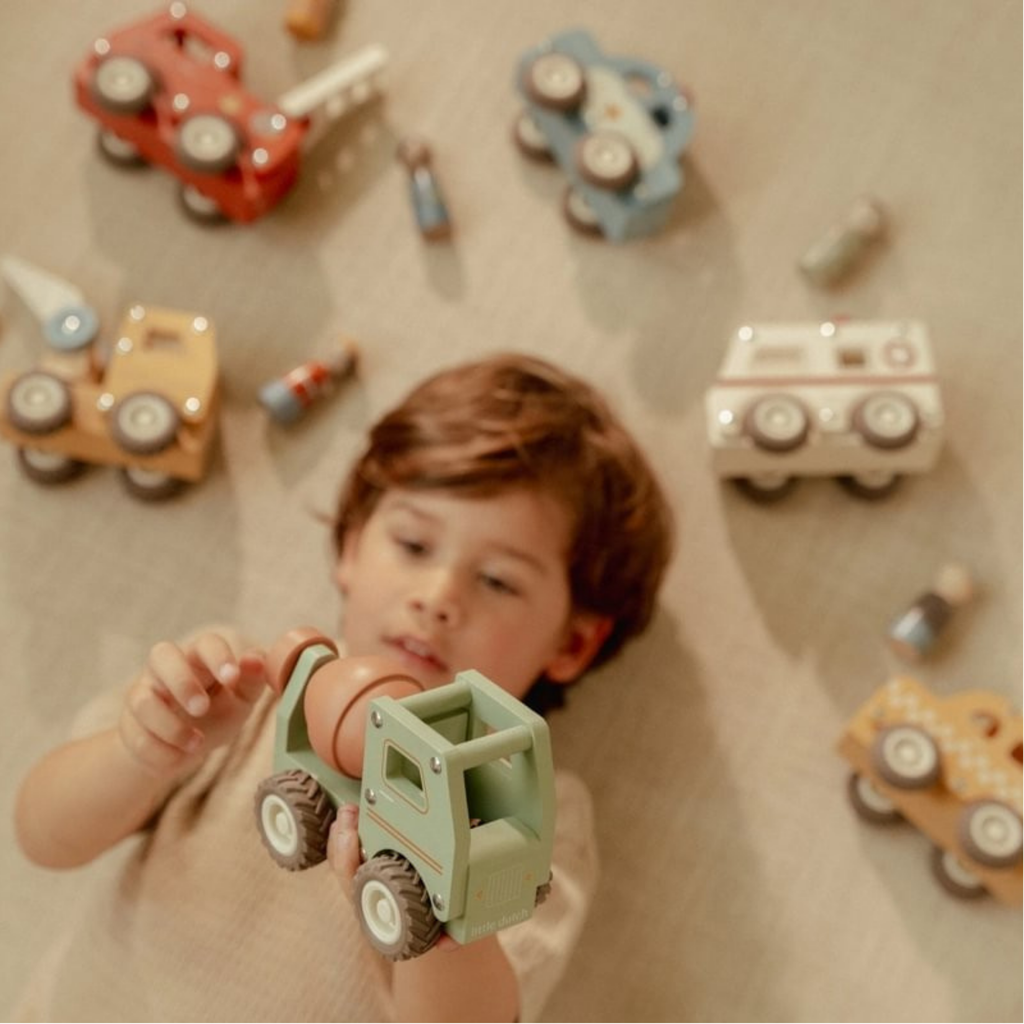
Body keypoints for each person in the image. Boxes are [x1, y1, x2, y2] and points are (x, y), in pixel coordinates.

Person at [12, 353, 674, 1023]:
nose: (438, 597)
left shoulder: (531, 810)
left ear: (572, 644)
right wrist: (145, 752)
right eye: (413, 545)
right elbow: (42, 835)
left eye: (498, 581)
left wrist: (448, 918)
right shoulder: (238, 691)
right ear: (353, 547)